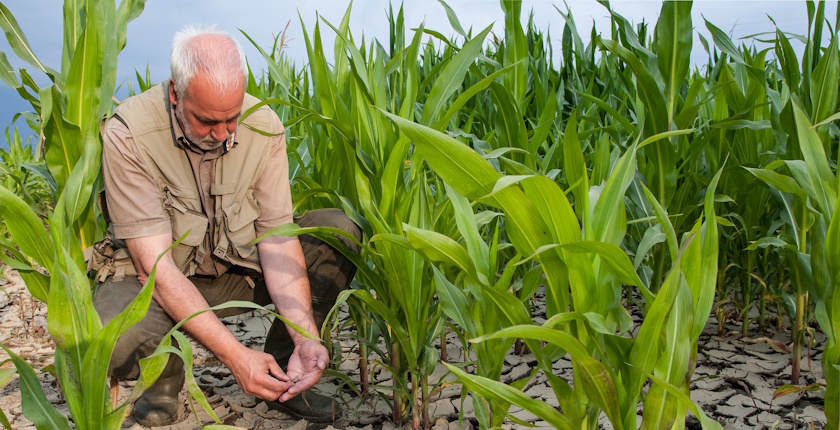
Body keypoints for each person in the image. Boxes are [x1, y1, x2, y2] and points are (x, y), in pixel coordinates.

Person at [88, 24, 360, 427]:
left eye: (232, 118)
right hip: (158, 282)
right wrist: (236, 358)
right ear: (176, 94)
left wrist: (306, 335)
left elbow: (278, 241)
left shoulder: (262, 125)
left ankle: (285, 376)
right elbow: (155, 270)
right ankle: (161, 389)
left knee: (336, 232)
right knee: (106, 334)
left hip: (237, 273)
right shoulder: (129, 134)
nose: (223, 134)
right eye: (207, 121)